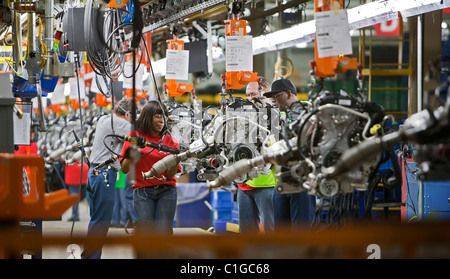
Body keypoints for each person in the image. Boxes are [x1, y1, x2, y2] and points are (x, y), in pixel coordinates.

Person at [81, 98, 133, 259]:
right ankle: (90, 257)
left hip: (94, 173)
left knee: (96, 220)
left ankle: (91, 256)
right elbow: (139, 138)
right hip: (104, 175)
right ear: (128, 114)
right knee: (101, 222)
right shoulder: (122, 124)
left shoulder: (105, 118)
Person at [121, 101, 181, 235]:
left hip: (167, 190)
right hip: (143, 192)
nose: (162, 121)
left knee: (163, 233)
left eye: (164, 116)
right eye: (158, 116)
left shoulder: (170, 140)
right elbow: (125, 169)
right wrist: (133, 150)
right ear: (148, 117)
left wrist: (176, 158)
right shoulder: (135, 136)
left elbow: (170, 176)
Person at [263, 78, 316, 231]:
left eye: (276, 96)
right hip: (283, 177)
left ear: (288, 94)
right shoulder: (283, 116)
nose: (273, 100)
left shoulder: (305, 112)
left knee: (300, 230)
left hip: (301, 178)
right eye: (271, 96)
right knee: (281, 230)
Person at [235, 77, 277, 234]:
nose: (249, 99)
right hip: (244, 185)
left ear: (265, 92)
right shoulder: (243, 117)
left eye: (253, 94)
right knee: (247, 235)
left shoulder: (275, 116)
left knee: (270, 232)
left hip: (266, 185)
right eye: (247, 95)